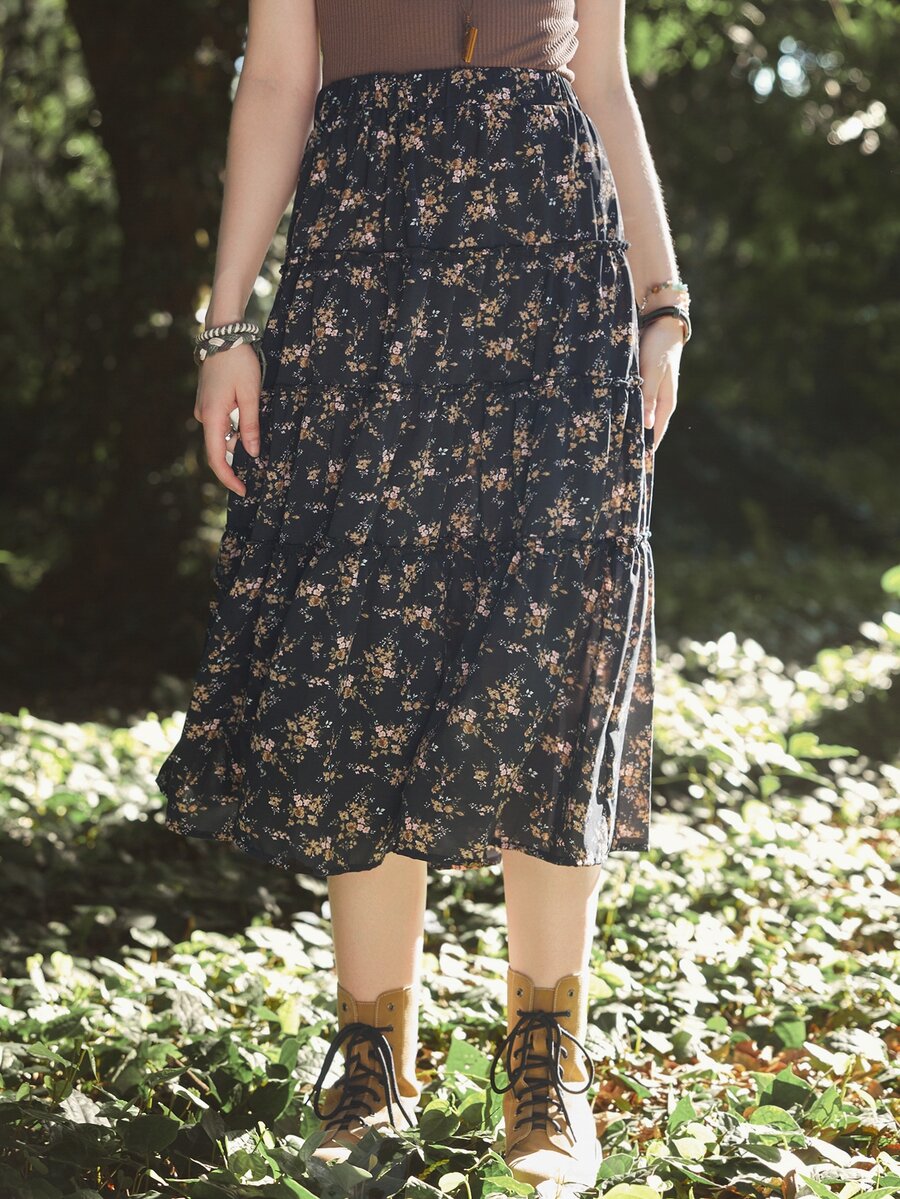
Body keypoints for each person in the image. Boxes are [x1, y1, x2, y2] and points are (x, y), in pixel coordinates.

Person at [156, 0, 687, 1190]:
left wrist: (661, 301)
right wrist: (228, 325)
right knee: (362, 635)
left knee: (550, 640)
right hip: (365, 265)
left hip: (558, 273)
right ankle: (373, 1060)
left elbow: (602, 78)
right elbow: (277, 78)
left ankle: (546, 1060)